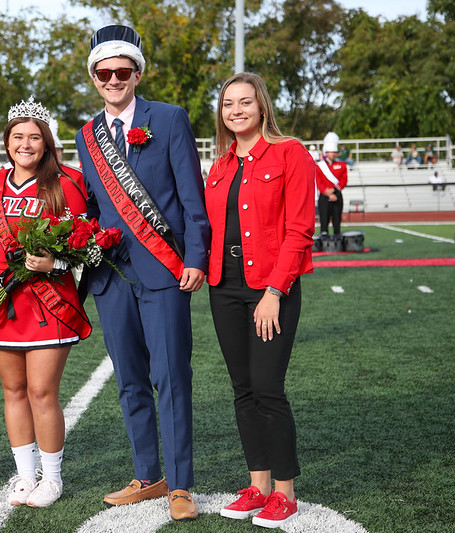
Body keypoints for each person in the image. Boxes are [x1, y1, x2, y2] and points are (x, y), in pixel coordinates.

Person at [74, 25, 210, 521]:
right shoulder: (85, 135)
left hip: (164, 271)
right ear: (93, 77)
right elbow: (89, 205)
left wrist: (195, 257)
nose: (113, 79)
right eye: (103, 72)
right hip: (112, 276)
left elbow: (191, 198)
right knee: (130, 380)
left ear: (136, 73)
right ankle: (147, 475)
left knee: (171, 376)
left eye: (121, 71)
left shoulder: (169, 119)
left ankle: (180, 486)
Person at [205, 72, 315, 529]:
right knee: (243, 389)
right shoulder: (220, 165)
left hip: (270, 287)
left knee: (268, 389)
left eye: (245, 102)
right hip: (223, 287)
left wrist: (274, 291)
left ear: (262, 106)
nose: (236, 111)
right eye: (228, 104)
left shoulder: (291, 153)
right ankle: (259, 485)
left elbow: (300, 230)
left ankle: (285, 494)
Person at [0, 96, 91, 508]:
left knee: (42, 391)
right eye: (17, 137)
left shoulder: (66, 183)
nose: (25, 144)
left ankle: (53, 478)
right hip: (1, 301)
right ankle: (25, 475)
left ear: (46, 143)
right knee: (13, 390)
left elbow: (82, 245)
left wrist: (53, 261)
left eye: (33, 137)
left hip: (49, 302)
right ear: (7, 142)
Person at [316, 132, 348, 236]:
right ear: (326, 153)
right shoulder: (319, 166)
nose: (332, 154)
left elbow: (344, 180)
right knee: (324, 222)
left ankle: (337, 240)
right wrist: (327, 193)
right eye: (330, 152)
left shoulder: (342, 165)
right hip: (324, 197)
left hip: (337, 195)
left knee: (337, 221)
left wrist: (334, 191)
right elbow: (318, 181)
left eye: (334, 152)